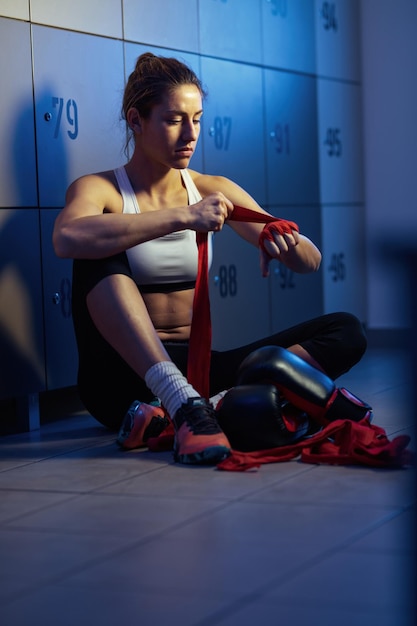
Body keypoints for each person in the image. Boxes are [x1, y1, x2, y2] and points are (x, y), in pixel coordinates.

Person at [53, 52, 367, 466]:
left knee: (345, 330)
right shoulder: (102, 189)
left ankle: (204, 406)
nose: (190, 134)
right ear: (136, 120)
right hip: (118, 381)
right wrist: (185, 216)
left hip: (198, 371)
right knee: (96, 248)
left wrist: (284, 239)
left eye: (197, 119)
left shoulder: (210, 187)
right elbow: (67, 237)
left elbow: (309, 261)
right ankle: (187, 402)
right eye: (173, 119)